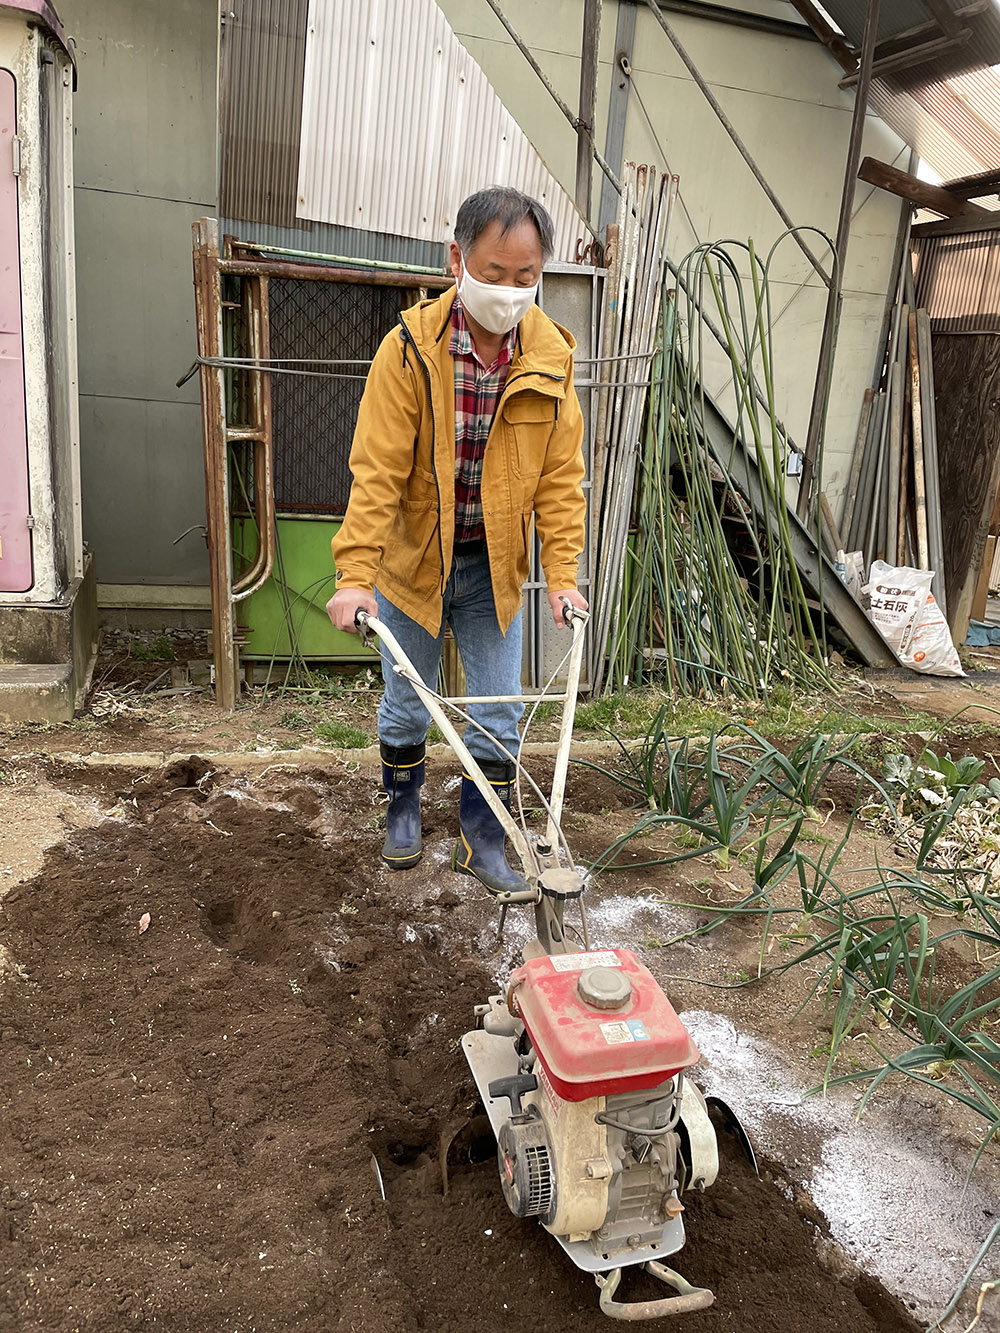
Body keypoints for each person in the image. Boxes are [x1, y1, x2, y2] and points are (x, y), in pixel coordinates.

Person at [326, 185, 587, 896]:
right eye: (494, 274)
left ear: (542, 273)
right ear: (456, 260)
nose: (509, 291)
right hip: (413, 566)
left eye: (525, 278)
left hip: (493, 570)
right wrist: (354, 575)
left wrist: (562, 574)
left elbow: (561, 481)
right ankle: (403, 808)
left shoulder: (551, 361)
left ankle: (482, 836)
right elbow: (376, 470)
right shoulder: (408, 352)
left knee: (500, 708)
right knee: (410, 701)